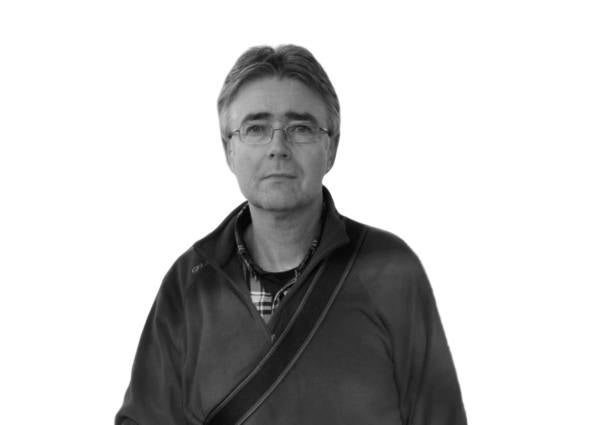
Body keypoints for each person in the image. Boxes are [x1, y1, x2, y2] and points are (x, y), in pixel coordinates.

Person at [115, 44, 467, 425]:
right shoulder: (190, 286)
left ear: (331, 146)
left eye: (300, 128)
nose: (278, 148)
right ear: (229, 150)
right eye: (256, 128)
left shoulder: (390, 271)